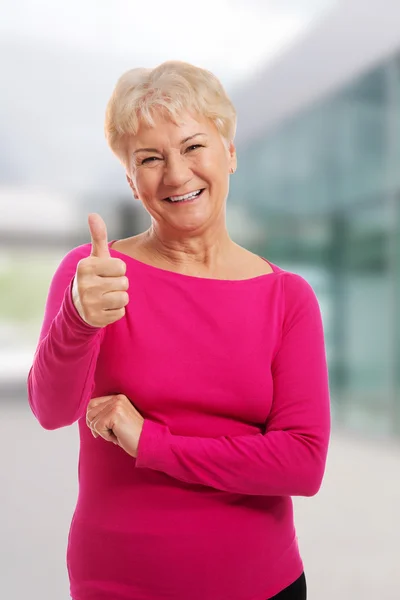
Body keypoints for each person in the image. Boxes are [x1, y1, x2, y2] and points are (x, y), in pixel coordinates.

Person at [27, 60, 330, 600]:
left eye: (193, 147)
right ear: (130, 180)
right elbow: (51, 411)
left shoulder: (287, 299)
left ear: (230, 153)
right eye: (150, 158)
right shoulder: (95, 276)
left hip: (261, 585)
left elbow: (302, 463)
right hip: (117, 583)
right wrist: (77, 318)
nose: (175, 174)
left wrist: (151, 442)